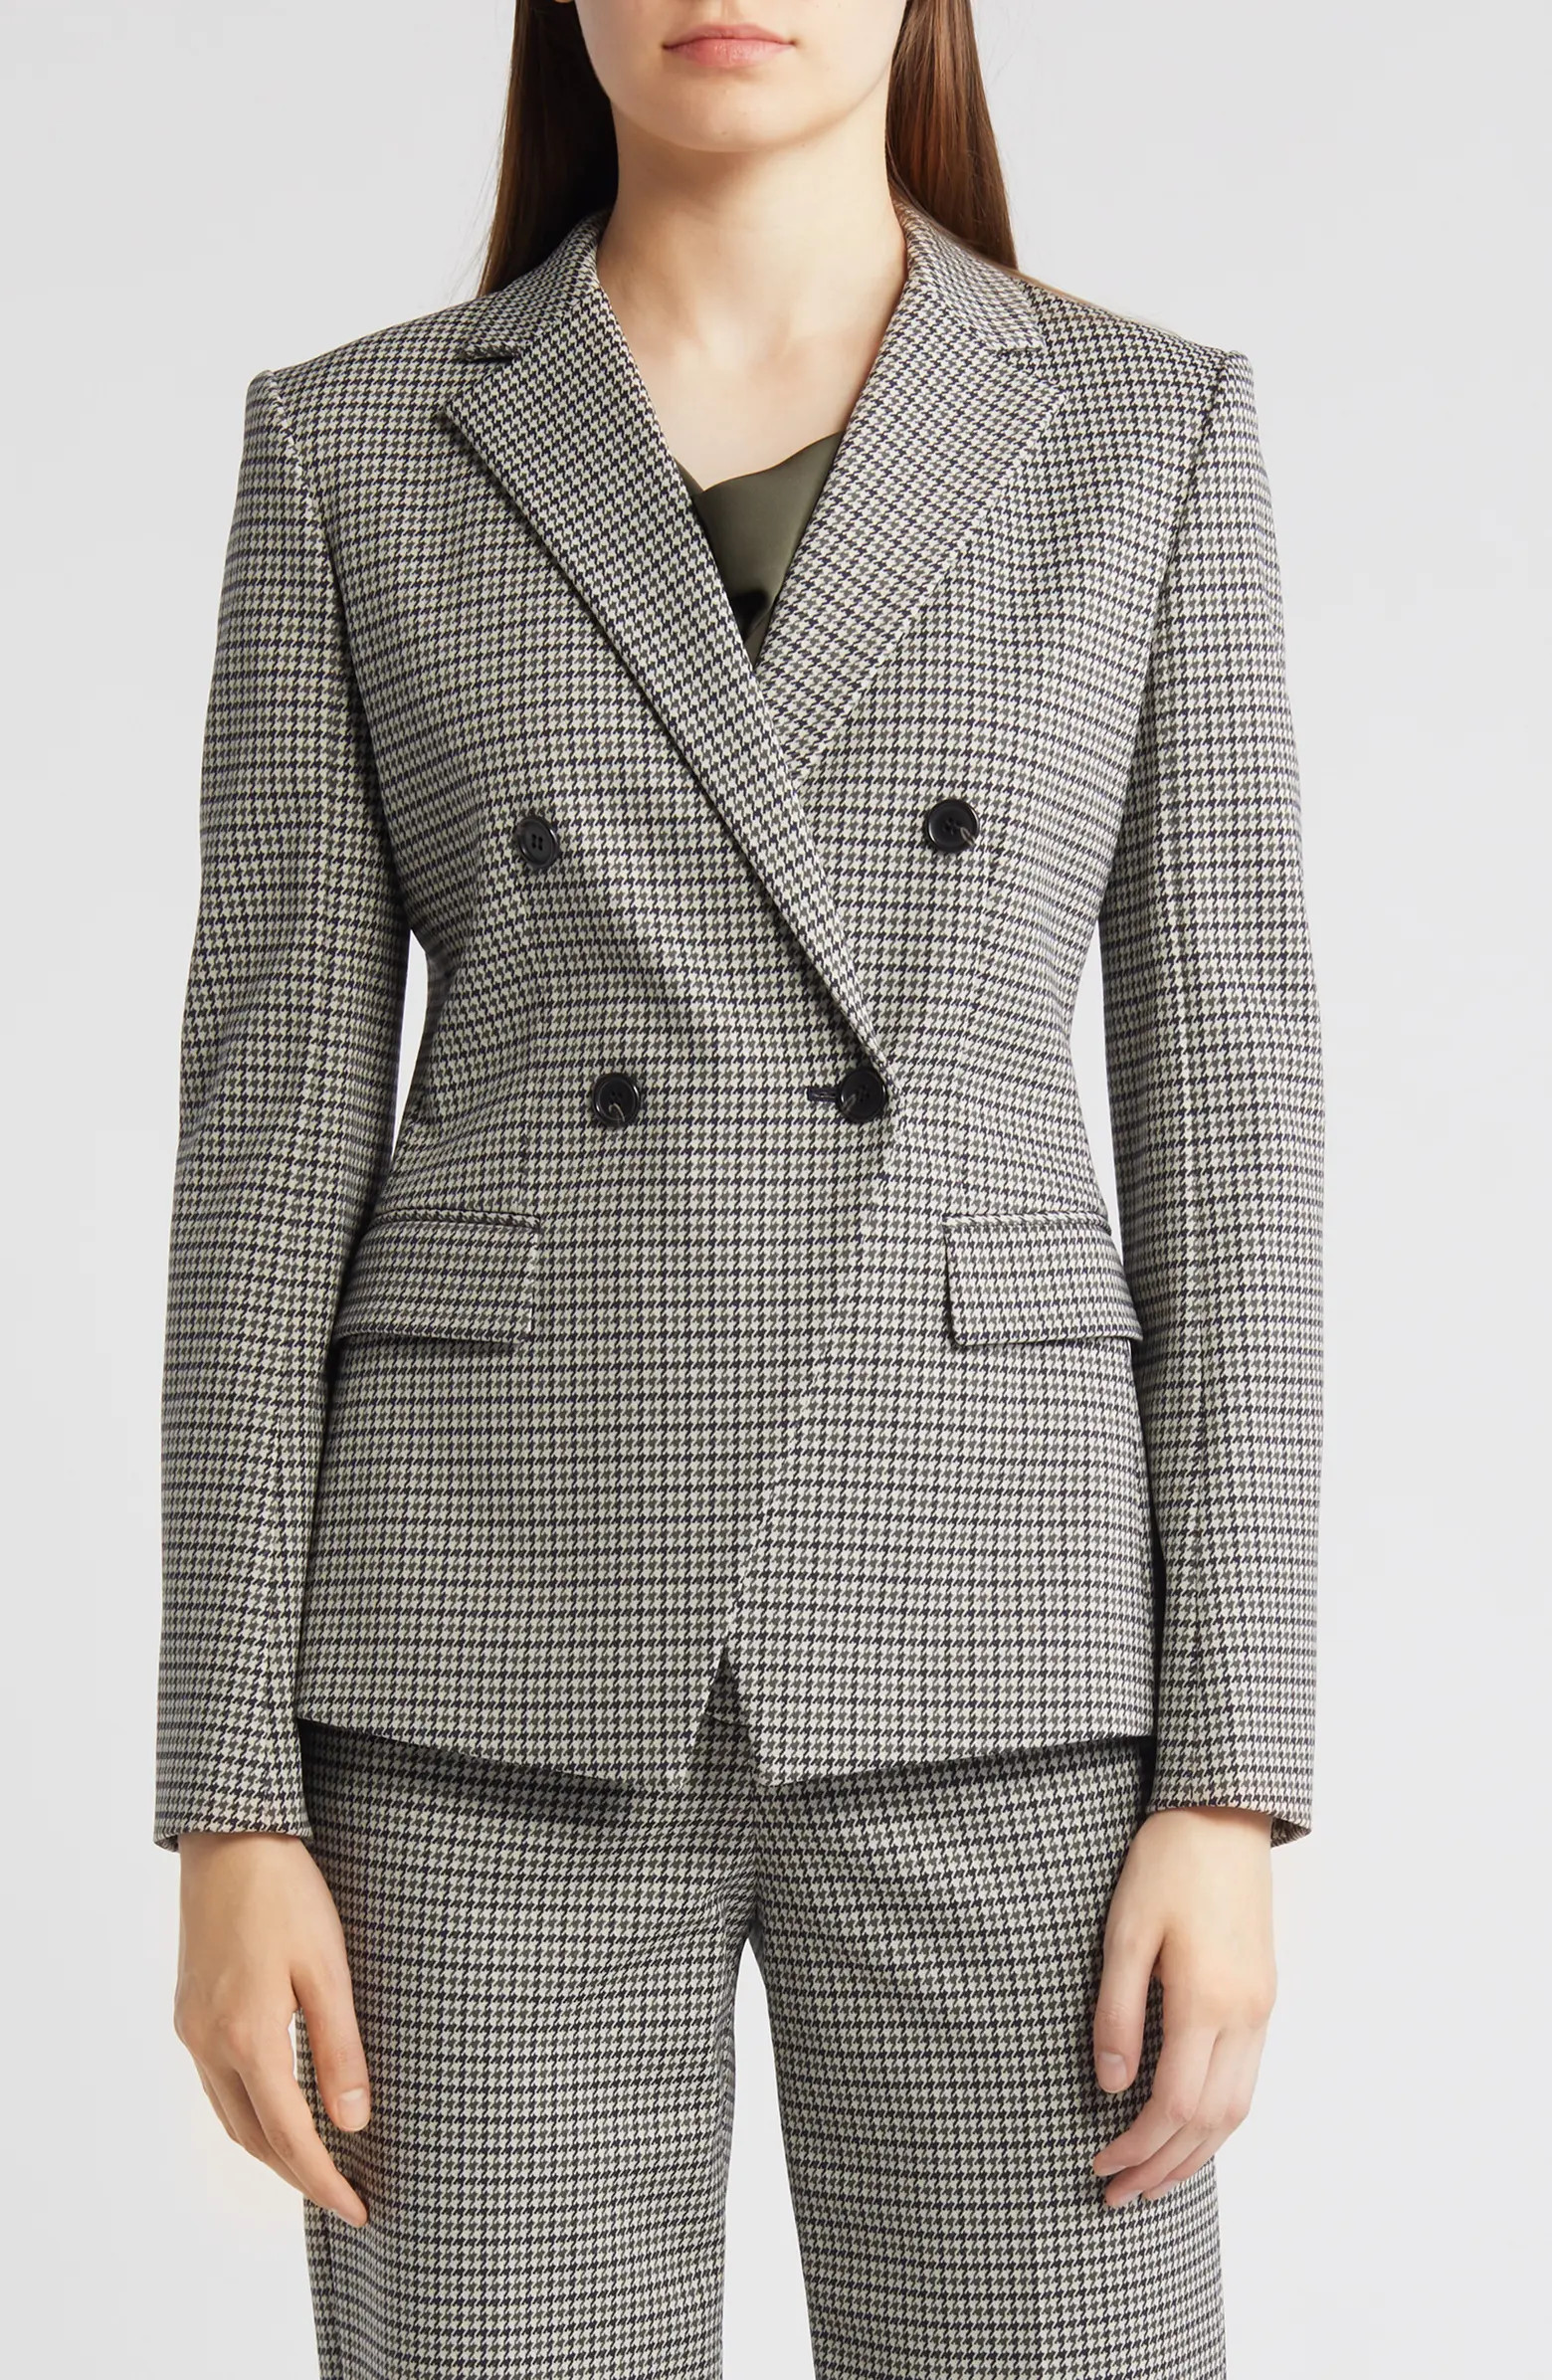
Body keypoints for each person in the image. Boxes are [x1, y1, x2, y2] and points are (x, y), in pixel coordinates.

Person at [156, 3, 1323, 2373]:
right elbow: (264, 1149)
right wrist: (225, 1796)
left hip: (1002, 1645)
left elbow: (1236, 1129)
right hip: (482, 1659)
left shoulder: (1144, 428)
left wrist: (1233, 1772)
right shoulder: (357, 440)